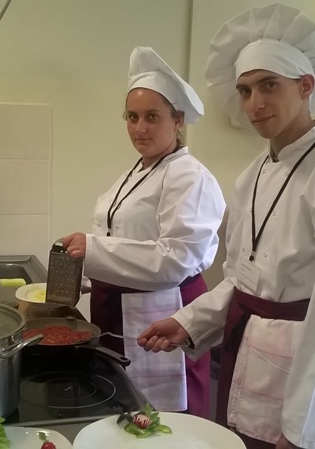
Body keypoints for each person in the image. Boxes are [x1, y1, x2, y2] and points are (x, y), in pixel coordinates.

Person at [137, 4, 315, 449]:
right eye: (245, 90)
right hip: (245, 356)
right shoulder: (252, 173)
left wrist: (305, 427)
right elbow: (242, 279)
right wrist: (189, 322)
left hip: (300, 378)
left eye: (269, 85)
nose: (255, 103)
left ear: (306, 85)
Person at [62, 46, 226, 418]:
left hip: (162, 311)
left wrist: (93, 251)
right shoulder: (137, 171)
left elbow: (176, 260)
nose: (140, 128)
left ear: (178, 119)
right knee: (123, 410)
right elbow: (119, 236)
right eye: (132, 117)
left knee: (164, 422)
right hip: (116, 309)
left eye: (152, 117)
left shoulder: (189, 177)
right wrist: (83, 274)